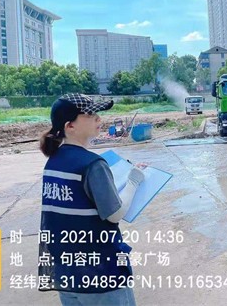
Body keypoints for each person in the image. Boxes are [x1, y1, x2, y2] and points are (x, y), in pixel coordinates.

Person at [38, 93, 145, 305]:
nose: (98, 118)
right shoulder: (93, 164)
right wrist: (133, 181)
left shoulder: (53, 162)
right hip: (100, 275)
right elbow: (115, 214)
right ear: (70, 126)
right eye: (90, 115)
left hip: (66, 274)